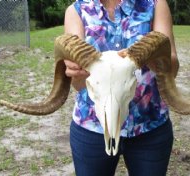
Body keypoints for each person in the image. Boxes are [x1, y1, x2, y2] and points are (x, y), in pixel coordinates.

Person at [64, 0, 179, 175]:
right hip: (93, 126)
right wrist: (74, 70)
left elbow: (172, 68)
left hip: (149, 125)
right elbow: (79, 85)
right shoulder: (76, 11)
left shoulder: (155, 4)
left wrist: (151, 52)